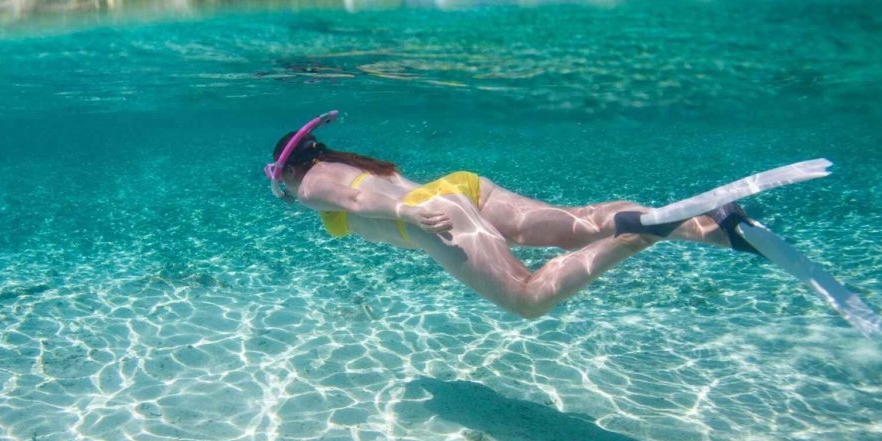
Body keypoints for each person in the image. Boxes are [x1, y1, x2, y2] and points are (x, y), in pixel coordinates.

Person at [265, 112, 761, 320]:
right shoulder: (345, 161)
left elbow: (355, 203)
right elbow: (364, 190)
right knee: (577, 226)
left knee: (527, 299)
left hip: (433, 216)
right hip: (461, 188)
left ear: (287, 169)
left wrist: (406, 214)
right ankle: (716, 227)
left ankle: (648, 231)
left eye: (281, 179)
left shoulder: (311, 182)